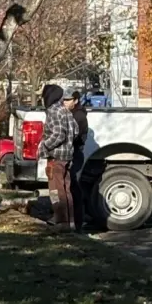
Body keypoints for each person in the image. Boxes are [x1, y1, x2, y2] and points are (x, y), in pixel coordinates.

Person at [39, 84, 79, 230]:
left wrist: (44, 146)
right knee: (66, 190)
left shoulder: (53, 111)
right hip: (67, 156)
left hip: (56, 157)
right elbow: (75, 131)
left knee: (56, 191)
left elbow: (58, 134)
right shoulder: (66, 111)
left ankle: (61, 222)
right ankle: (71, 221)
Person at [70, 90, 89, 232]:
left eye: (67, 99)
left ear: (75, 100)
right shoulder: (72, 114)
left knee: (74, 188)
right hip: (71, 154)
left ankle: (77, 223)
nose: (64, 102)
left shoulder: (79, 116)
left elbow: (73, 137)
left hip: (75, 154)